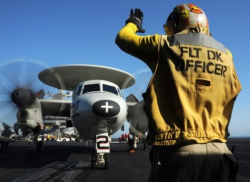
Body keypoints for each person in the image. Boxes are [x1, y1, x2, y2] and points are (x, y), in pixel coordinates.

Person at [116, 3, 241, 182]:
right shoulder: (227, 55)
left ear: (176, 23)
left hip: (178, 151)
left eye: (169, 28)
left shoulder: (163, 45)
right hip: (220, 153)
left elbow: (123, 38)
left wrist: (133, 23)